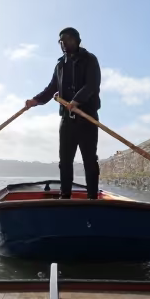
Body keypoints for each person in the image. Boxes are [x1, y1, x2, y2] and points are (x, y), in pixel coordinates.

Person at [24, 27, 101, 199]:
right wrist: (35, 101)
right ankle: (64, 195)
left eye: (67, 39)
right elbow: (51, 88)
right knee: (65, 161)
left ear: (77, 40)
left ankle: (92, 197)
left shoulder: (90, 59)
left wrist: (76, 101)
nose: (63, 43)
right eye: (60, 41)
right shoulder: (60, 65)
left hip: (87, 118)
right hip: (67, 120)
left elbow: (92, 85)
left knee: (90, 160)